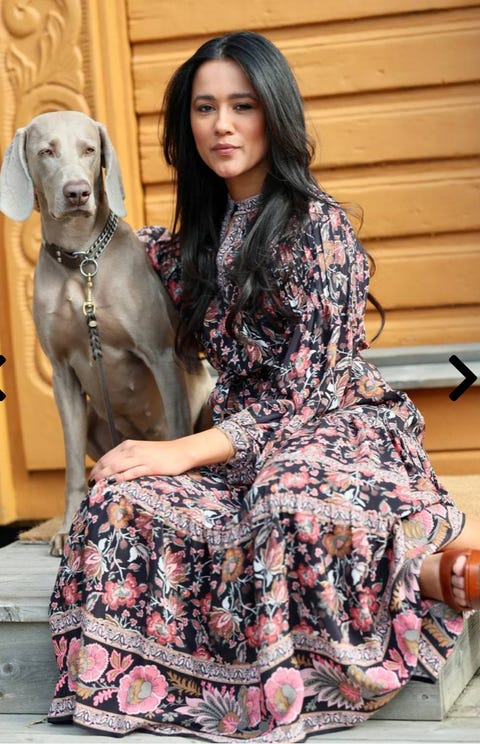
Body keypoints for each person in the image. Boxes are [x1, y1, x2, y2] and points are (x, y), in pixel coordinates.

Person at [48, 31, 480, 742]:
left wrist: (181, 450)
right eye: (205, 108)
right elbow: (122, 256)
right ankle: (176, 679)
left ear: (274, 113)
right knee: (120, 498)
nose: (222, 125)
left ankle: (423, 574)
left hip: (335, 429)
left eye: (242, 106)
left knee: (285, 501)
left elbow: (306, 394)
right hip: (234, 448)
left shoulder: (320, 228)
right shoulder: (199, 235)